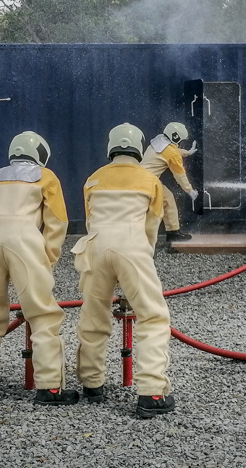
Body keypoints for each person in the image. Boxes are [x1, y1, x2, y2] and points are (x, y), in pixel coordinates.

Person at [72, 123, 176, 418]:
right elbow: (151, 227)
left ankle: (92, 384)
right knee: (152, 317)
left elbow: (90, 220)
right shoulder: (149, 179)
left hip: (96, 245)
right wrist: (139, 266)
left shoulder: (94, 179)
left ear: (111, 147)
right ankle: (151, 393)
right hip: (132, 245)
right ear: (139, 148)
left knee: (93, 315)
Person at [0, 131, 78, 405]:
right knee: (42, 315)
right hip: (25, 242)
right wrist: (47, 259)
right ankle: (49, 388)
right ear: (40, 153)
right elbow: (58, 222)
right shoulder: (45, 176)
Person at [140, 122, 198, 243]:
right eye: (180, 140)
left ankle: (172, 231)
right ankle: (173, 233)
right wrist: (190, 190)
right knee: (168, 201)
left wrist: (187, 152)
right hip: (149, 182)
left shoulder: (159, 140)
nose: (180, 143)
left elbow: (171, 150)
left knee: (166, 200)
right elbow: (180, 175)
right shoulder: (171, 153)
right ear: (176, 138)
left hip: (140, 178)